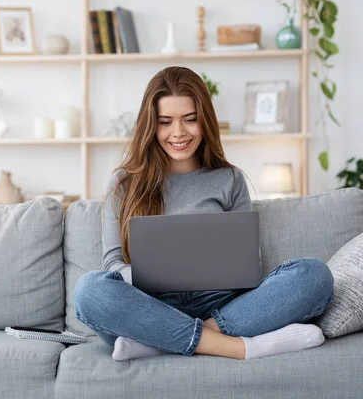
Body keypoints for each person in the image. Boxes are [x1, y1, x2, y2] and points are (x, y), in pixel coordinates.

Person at [73, 66, 334, 361]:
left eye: (190, 120)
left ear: (205, 121)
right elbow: (112, 263)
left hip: (221, 304)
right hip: (149, 307)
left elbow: (249, 263)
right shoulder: (124, 182)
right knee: (89, 291)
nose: (178, 132)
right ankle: (239, 347)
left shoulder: (230, 179)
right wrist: (154, 275)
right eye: (165, 122)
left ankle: (160, 342)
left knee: (313, 275)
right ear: (151, 125)